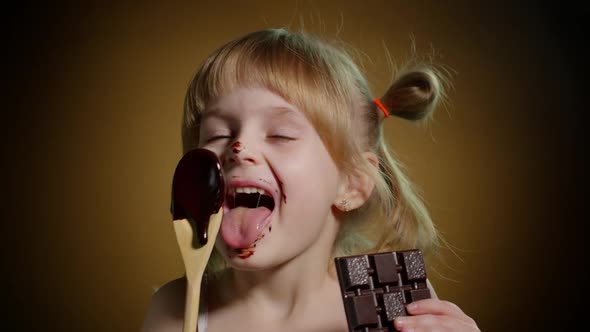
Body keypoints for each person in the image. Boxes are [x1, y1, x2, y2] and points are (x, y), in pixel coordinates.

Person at [142, 28, 479, 332]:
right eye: (218, 133)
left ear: (352, 184)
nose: (238, 147)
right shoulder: (176, 308)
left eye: (280, 134)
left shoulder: (399, 310)